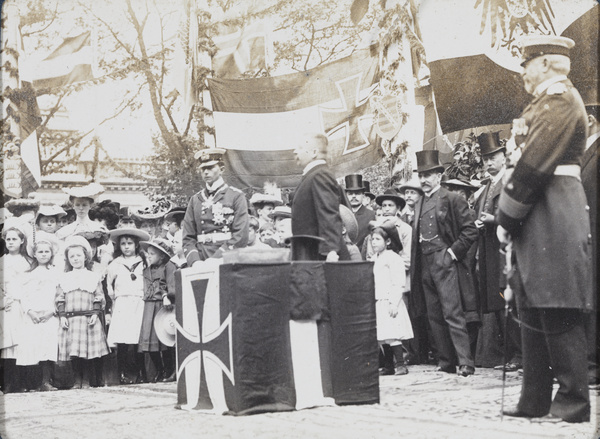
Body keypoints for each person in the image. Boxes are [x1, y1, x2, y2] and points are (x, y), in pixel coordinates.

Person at [498, 36, 592, 423]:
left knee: (557, 306)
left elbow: (533, 166)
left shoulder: (560, 101)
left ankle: (573, 401)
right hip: (541, 210)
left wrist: (506, 217)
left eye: (527, 63)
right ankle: (533, 399)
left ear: (547, 64)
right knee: (532, 304)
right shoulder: (545, 102)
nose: (522, 70)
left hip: (552, 208)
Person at [410, 150, 478, 377]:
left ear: (439, 175)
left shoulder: (452, 198)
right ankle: (446, 361)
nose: (423, 180)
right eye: (421, 175)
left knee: (453, 313)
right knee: (434, 316)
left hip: (444, 260)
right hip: (425, 263)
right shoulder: (419, 202)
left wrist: (451, 253)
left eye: (428, 174)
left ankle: (466, 362)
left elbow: (470, 231)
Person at [473, 132, 522, 371]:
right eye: (485, 158)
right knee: (497, 301)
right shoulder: (484, 190)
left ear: (503, 156)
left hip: (505, 252)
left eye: (493, 157)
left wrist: (493, 219)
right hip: (489, 253)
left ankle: (518, 355)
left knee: (507, 298)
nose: (488, 162)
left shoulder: (508, 182)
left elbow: (517, 213)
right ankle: (508, 353)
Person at [56, 236, 110, 389]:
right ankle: (76, 380)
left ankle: (87, 380)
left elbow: (99, 296)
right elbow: (60, 298)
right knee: (74, 352)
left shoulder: (92, 277)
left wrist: (94, 313)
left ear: (85, 256)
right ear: (67, 259)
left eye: (78, 255)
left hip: (88, 319)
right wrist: (62, 315)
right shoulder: (64, 278)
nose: (75, 259)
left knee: (88, 351)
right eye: (71, 256)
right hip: (72, 320)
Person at [181, 148, 249, 267]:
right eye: (203, 169)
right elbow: (188, 237)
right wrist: (195, 261)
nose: (206, 172)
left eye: (211, 168)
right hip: (200, 261)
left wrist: (218, 258)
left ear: (222, 169)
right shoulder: (195, 200)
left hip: (226, 259)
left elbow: (241, 235)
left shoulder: (236, 196)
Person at [291, 133, 349, 261]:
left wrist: (332, 251)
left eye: (300, 147)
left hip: (322, 258)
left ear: (314, 152)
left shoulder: (319, 175)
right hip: (312, 256)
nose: (295, 151)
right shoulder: (313, 175)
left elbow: (328, 214)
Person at [369, 219, 413, 376]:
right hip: (378, 300)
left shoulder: (393, 258)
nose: (374, 242)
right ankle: (388, 366)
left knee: (393, 333)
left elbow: (398, 282)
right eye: (372, 239)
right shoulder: (375, 259)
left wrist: (394, 302)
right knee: (382, 335)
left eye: (378, 239)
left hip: (389, 301)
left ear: (388, 241)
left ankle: (400, 364)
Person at [106, 228, 150, 384]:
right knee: (122, 340)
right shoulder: (116, 263)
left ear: (136, 245)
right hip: (122, 304)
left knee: (137, 340)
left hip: (139, 302)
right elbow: (108, 283)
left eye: (130, 243)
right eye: (123, 244)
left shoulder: (144, 262)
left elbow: (148, 280)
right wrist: (112, 295)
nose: (126, 247)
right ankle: (122, 373)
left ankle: (141, 372)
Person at [19, 232, 61, 391]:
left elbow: (59, 294)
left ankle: (46, 381)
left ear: (51, 254)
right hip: (33, 316)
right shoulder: (28, 274)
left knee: (48, 347)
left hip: (49, 315)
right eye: (40, 252)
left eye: (46, 251)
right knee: (33, 347)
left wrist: (51, 311)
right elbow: (24, 295)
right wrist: (30, 311)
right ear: (34, 254)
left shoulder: (56, 273)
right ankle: (32, 383)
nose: (43, 254)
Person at [138, 238, 177, 383]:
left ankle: (170, 370)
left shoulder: (168, 267)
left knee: (165, 341)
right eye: (147, 253)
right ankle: (159, 370)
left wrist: (167, 296)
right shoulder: (146, 270)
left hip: (162, 306)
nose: (148, 256)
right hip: (148, 306)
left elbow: (170, 285)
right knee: (148, 343)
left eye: (152, 254)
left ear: (162, 255)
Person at [1, 227, 32, 392]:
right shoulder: (2, 261)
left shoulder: (28, 262)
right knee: (7, 344)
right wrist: (2, 301)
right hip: (7, 306)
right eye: (8, 239)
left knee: (22, 342)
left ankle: (22, 382)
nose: (11, 242)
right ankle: (7, 383)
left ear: (21, 241)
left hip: (24, 305)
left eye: (14, 239)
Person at [344, 174, 376, 249]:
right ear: (346, 195)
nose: (354, 196)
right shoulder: (341, 213)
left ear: (363, 196)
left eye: (357, 193)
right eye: (350, 194)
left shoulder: (370, 215)